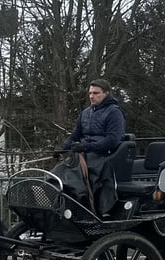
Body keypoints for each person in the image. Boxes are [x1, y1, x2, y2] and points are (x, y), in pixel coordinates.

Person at [53, 79, 126, 214]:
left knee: (74, 180)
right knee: (58, 172)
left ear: (106, 94)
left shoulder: (114, 112)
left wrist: (86, 146)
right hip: (83, 155)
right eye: (90, 93)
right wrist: (62, 148)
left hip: (102, 156)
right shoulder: (85, 113)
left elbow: (112, 140)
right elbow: (75, 135)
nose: (92, 96)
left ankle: (83, 209)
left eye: (96, 93)